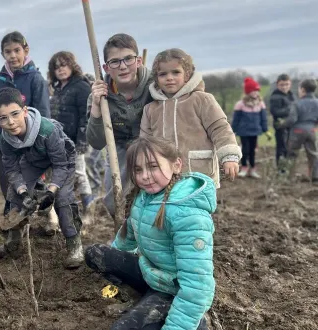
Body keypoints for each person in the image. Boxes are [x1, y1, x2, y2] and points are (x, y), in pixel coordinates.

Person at [86, 136, 214, 330]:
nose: (145, 176)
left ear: (176, 165)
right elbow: (128, 234)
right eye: (138, 170)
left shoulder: (188, 215)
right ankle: (140, 298)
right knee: (95, 254)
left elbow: (197, 285)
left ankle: (197, 322)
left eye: (153, 166)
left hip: (173, 289)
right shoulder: (146, 196)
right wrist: (115, 261)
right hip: (150, 272)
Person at [0, 87, 83, 269]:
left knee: (63, 199)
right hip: (34, 158)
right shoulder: (5, 139)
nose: (11, 122)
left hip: (62, 158)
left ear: (25, 111)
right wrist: (23, 191)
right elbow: (11, 168)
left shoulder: (47, 130)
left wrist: (51, 191)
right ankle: (13, 242)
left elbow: (60, 164)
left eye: (15, 114)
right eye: (3, 118)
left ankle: (74, 245)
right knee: (14, 195)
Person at [140, 48, 241, 186]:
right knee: (167, 207)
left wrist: (229, 156)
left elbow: (220, 128)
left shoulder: (202, 100)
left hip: (199, 174)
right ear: (156, 79)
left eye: (176, 72)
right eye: (163, 74)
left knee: (195, 207)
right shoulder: (150, 109)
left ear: (187, 75)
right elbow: (145, 142)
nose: (169, 77)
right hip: (164, 177)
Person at [0, 31, 51, 217]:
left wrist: (42, 143)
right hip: (1, 142)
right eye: (8, 51)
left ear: (25, 50)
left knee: (31, 184)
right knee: (7, 183)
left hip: (29, 143)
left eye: (17, 50)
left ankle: (36, 220)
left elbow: (43, 113)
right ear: (2, 54)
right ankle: (13, 216)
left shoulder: (36, 79)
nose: (13, 55)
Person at [86, 33, 153, 216]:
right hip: (120, 149)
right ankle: (125, 236)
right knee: (114, 201)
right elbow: (97, 142)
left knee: (153, 193)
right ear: (106, 68)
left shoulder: (155, 84)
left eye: (128, 59)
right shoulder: (98, 95)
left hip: (153, 145)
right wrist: (97, 106)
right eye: (115, 62)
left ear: (138, 61)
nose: (123, 67)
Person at [48, 51, 94, 208]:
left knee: (79, 172)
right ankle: (67, 205)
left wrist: (82, 140)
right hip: (59, 140)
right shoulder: (58, 89)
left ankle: (89, 206)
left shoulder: (81, 86)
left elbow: (86, 115)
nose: (61, 69)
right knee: (62, 173)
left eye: (64, 65)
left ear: (72, 66)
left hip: (75, 139)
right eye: (57, 67)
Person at [275, 79, 318, 182]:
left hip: (297, 131)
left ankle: (289, 177)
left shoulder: (297, 103)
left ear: (302, 90)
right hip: (311, 130)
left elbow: (292, 119)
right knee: (313, 154)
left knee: (292, 154)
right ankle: (315, 176)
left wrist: (282, 125)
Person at [232, 77, 268, 179]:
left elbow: (263, 118)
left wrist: (265, 130)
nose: (255, 93)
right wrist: (232, 131)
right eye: (253, 91)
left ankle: (252, 169)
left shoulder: (260, 104)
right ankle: (244, 168)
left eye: (257, 91)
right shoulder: (240, 104)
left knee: (253, 151)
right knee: (245, 150)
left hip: (255, 131)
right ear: (248, 92)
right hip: (243, 131)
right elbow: (236, 119)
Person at [269, 73, 295, 173]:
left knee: (290, 147)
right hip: (280, 126)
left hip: (291, 126)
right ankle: (281, 169)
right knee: (281, 147)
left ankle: (287, 168)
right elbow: (275, 112)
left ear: (290, 84)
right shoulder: (275, 97)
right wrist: (290, 109)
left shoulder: (291, 95)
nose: (284, 87)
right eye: (282, 85)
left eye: (286, 84)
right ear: (277, 84)